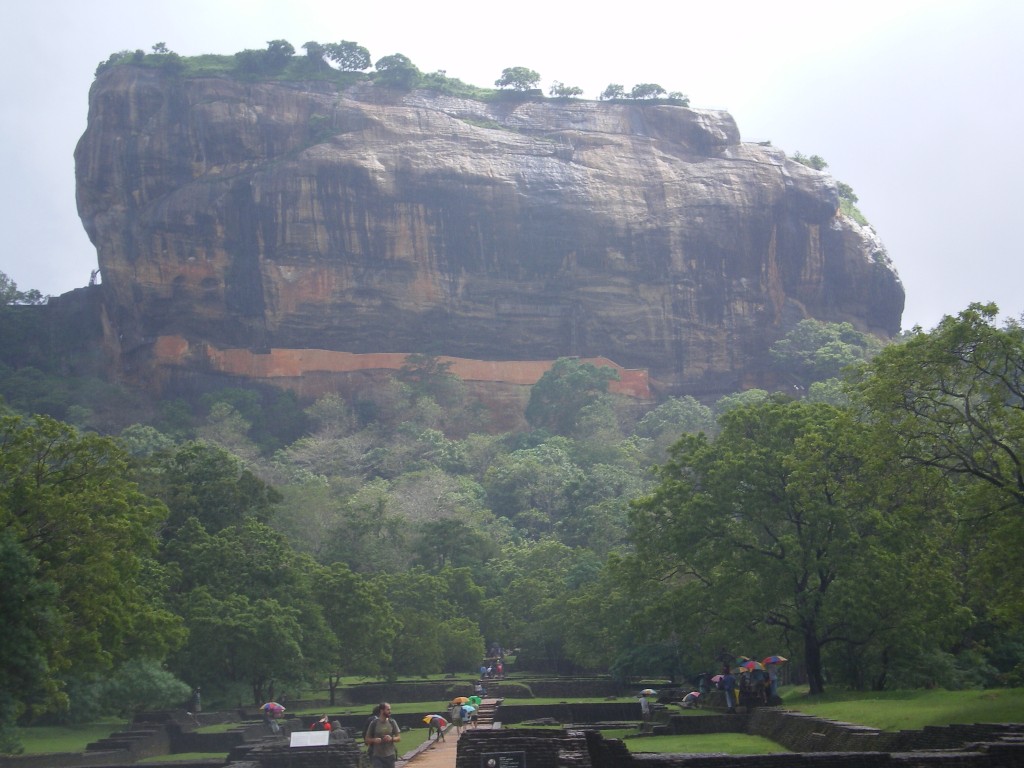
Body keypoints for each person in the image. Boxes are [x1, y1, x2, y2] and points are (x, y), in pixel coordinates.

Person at [364, 702, 401, 768]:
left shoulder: (392, 722)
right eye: (388, 710)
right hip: (377, 756)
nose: (390, 711)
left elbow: (398, 738)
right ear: (382, 710)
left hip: (390, 755)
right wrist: (374, 740)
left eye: (390, 709)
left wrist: (391, 739)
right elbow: (367, 739)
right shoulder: (374, 723)